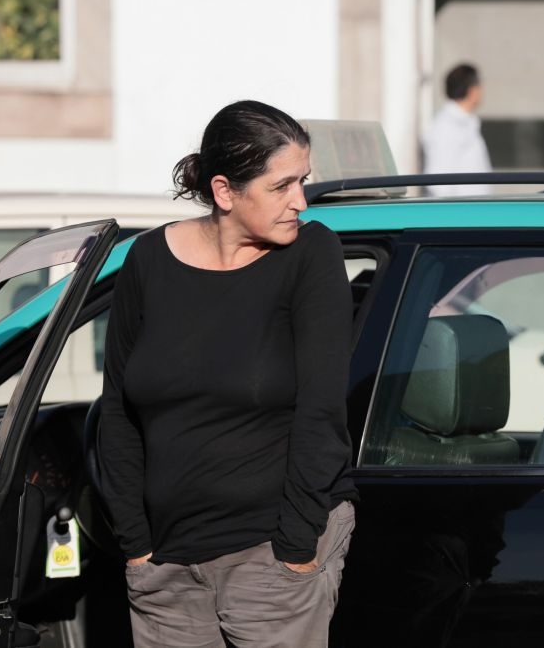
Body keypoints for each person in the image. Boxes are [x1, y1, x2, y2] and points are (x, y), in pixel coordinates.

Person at [99, 100, 358, 647]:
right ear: (224, 192)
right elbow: (118, 410)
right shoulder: (147, 261)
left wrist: (293, 550)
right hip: (165, 572)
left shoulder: (311, 253)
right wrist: (137, 546)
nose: (300, 201)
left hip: (269, 560)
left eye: (302, 181)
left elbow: (322, 411)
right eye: (282, 185)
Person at [422, 63, 492, 196]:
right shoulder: (446, 127)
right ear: (473, 90)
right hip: (460, 214)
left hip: (473, 211)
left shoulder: (465, 123)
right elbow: (438, 184)